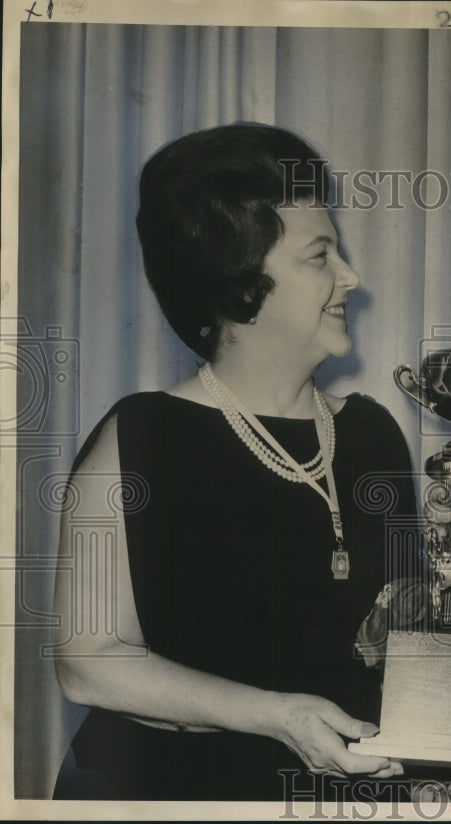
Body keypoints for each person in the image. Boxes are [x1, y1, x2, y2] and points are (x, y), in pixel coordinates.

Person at [51, 124, 418, 800]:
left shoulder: (373, 435)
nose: (350, 277)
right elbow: (87, 663)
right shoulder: (140, 438)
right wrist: (276, 717)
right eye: (320, 255)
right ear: (243, 281)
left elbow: (407, 641)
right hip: (177, 793)